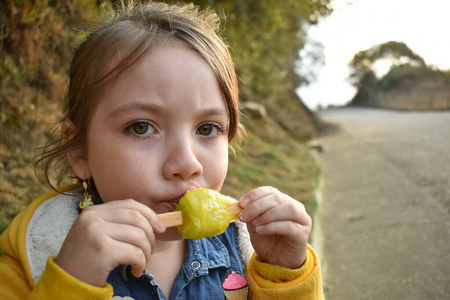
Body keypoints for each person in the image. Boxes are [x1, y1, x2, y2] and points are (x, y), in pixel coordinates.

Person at [0, 1, 324, 299]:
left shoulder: (246, 251)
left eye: (207, 129)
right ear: (79, 150)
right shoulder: (34, 256)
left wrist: (284, 276)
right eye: (141, 127)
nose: (187, 163)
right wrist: (71, 283)